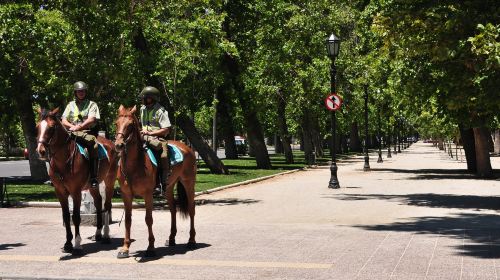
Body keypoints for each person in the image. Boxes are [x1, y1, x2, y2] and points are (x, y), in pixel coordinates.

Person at [61, 81, 100, 188]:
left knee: (93, 144)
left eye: (83, 91)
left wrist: (79, 127)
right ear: (75, 92)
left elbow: (91, 119)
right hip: (71, 132)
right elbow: (64, 120)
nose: (81, 93)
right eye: (79, 91)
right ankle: (55, 175)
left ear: (85, 92)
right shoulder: (70, 105)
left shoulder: (92, 104)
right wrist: (71, 127)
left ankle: (93, 177)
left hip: (87, 132)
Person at [139, 86, 172, 189]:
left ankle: (163, 182)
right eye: (143, 98)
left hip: (158, 138)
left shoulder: (161, 111)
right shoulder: (142, 109)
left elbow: (166, 129)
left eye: (145, 98)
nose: (143, 99)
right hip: (142, 136)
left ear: (152, 98)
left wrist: (150, 133)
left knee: (163, 156)